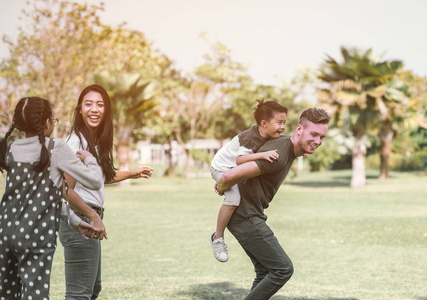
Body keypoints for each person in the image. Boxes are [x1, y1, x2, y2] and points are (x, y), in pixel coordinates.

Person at [215, 107, 332, 299]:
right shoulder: (278, 155)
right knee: (282, 269)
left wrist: (305, 147)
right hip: (245, 216)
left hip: (249, 214)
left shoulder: (286, 145)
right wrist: (221, 186)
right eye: (314, 134)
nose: (318, 141)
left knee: (264, 272)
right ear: (299, 129)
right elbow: (230, 174)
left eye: (322, 137)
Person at [0, 97, 104, 300]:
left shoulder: (12, 150)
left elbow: (44, 199)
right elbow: (94, 181)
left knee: (8, 295)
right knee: (35, 295)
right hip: (36, 237)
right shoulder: (55, 148)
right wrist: (90, 159)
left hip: (5, 234)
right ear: (47, 122)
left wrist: (75, 222)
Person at [58, 84, 153, 299]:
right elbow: (64, 189)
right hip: (80, 220)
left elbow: (96, 178)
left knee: (91, 290)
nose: (94, 109)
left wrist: (132, 173)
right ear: (79, 109)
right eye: (88, 104)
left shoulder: (93, 141)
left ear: (106, 110)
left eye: (100, 105)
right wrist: (93, 217)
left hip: (87, 217)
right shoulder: (77, 142)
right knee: (80, 294)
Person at [210, 100, 288, 262]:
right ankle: (217, 237)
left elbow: (288, 140)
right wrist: (262, 155)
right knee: (233, 199)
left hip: (231, 169)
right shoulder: (251, 138)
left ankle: (222, 187)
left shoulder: (267, 134)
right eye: (279, 123)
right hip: (222, 167)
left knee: (235, 192)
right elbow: (239, 160)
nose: (283, 127)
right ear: (264, 123)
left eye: (284, 123)